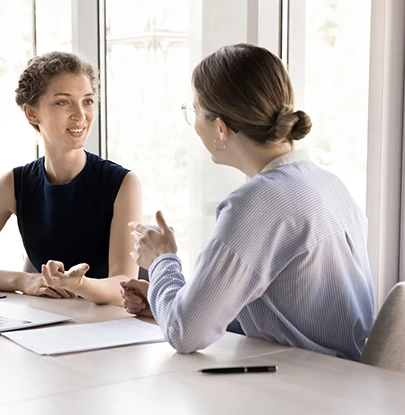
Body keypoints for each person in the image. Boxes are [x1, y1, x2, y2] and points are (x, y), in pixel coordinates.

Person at [120, 43, 375, 361]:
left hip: (306, 392)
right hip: (346, 387)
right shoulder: (328, 184)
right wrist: (167, 302)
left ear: (221, 127)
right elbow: (288, 317)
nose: (194, 122)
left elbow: (183, 334)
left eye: (195, 111)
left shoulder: (255, 204)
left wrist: (161, 260)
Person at [0, 51, 141, 305]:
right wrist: (23, 280)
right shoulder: (15, 183)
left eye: (87, 101)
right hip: (48, 322)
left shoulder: (123, 183)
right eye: (63, 102)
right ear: (32, 113)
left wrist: (79, 284)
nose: (80, 114)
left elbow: (123, 283)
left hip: (107, 326)